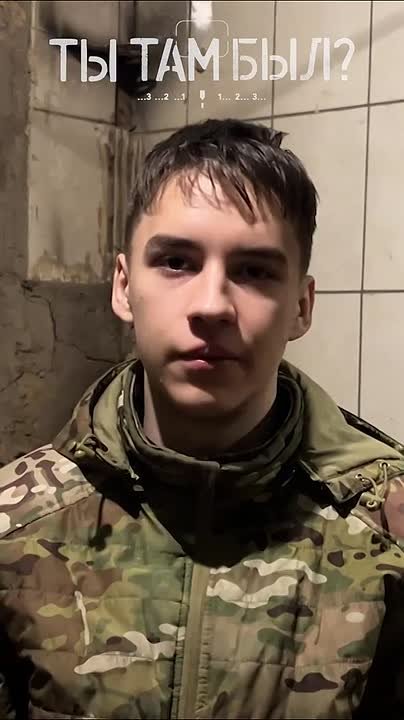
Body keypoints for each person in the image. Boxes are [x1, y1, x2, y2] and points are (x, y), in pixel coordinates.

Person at [1, 118, 404, 720]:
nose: (212, 305)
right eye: (176, 262)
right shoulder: (16, 526)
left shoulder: (388, 531)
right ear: (123, 286)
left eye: (255, 271)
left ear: (301, 305)